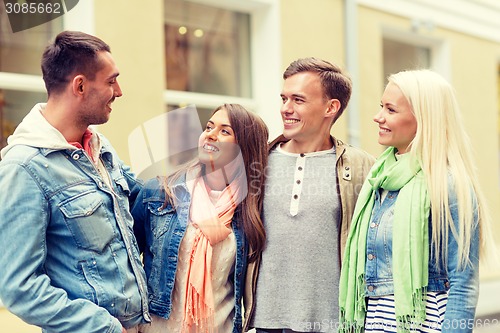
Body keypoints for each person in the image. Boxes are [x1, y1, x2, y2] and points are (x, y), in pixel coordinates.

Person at [0, 31, 150, 333]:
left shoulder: (98, 146)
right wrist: (103, 327)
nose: (119, 91)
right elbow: (18, 287)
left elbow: (144, 199)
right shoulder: (24, 169)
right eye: (111, 81)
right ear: (79, 85)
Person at [338, 69, 491, 333]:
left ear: (424, 118)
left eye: (391, 110)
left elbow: (462, 284)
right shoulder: (379, 178)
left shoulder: (449, 185)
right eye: (380, 107)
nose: (378, 117)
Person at [245, 57, 375, 333]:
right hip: (266, 320)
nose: (285, 109)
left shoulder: (362, 167)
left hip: (331, 322)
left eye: (298, 100)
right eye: (283, 98)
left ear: (331, 107)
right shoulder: (259, 160)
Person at [132, 103, 269, 333]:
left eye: (225, 131)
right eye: (209, 127)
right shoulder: (161, 193)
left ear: (244, 146)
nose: (210, 135)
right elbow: (127, 259)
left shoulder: (251, 211)